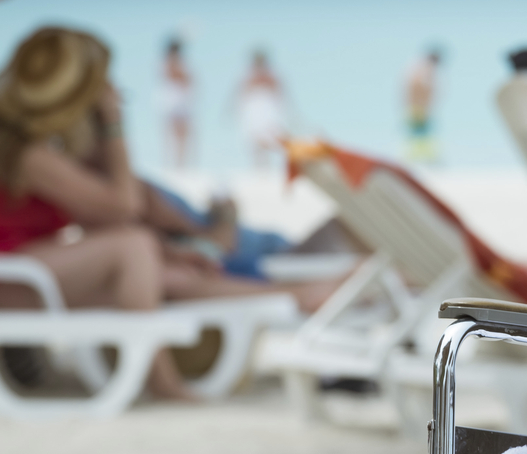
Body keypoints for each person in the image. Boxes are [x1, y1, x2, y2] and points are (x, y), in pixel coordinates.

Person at [0, 26, 330, 401]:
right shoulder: (29, 156)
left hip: (26, 276)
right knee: (134, 247)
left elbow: (108, 217)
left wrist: (168, 251)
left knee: (167, 271)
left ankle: (299, 295)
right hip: (13, 281)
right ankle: (161, 380)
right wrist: (113, 122)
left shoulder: (38, 149)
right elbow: (124, 207)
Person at [232, 48, 287, 169]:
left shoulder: (272, 76)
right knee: (254, 140)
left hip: (267, 110)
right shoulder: (247, 76)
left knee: (268, 139)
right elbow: (240, 95)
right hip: (254, 111)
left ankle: (266, 165)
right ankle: (257, 166)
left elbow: (280, 94)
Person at [156, 35, 193, 168]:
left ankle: (179, 163)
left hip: (178, 101)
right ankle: (175, 164)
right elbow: (182, 77)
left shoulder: (171, 62)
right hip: (174, 102)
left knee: (181, 135)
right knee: (176, 134)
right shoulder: (169, 62)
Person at [403, 46, 442, 162]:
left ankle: (422, 158)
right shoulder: (423, 69)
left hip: (420, 108)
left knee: (421, 135)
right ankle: (417, 159)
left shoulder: (421, 69)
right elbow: (417, 87)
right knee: (419, 136)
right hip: (418, 109)